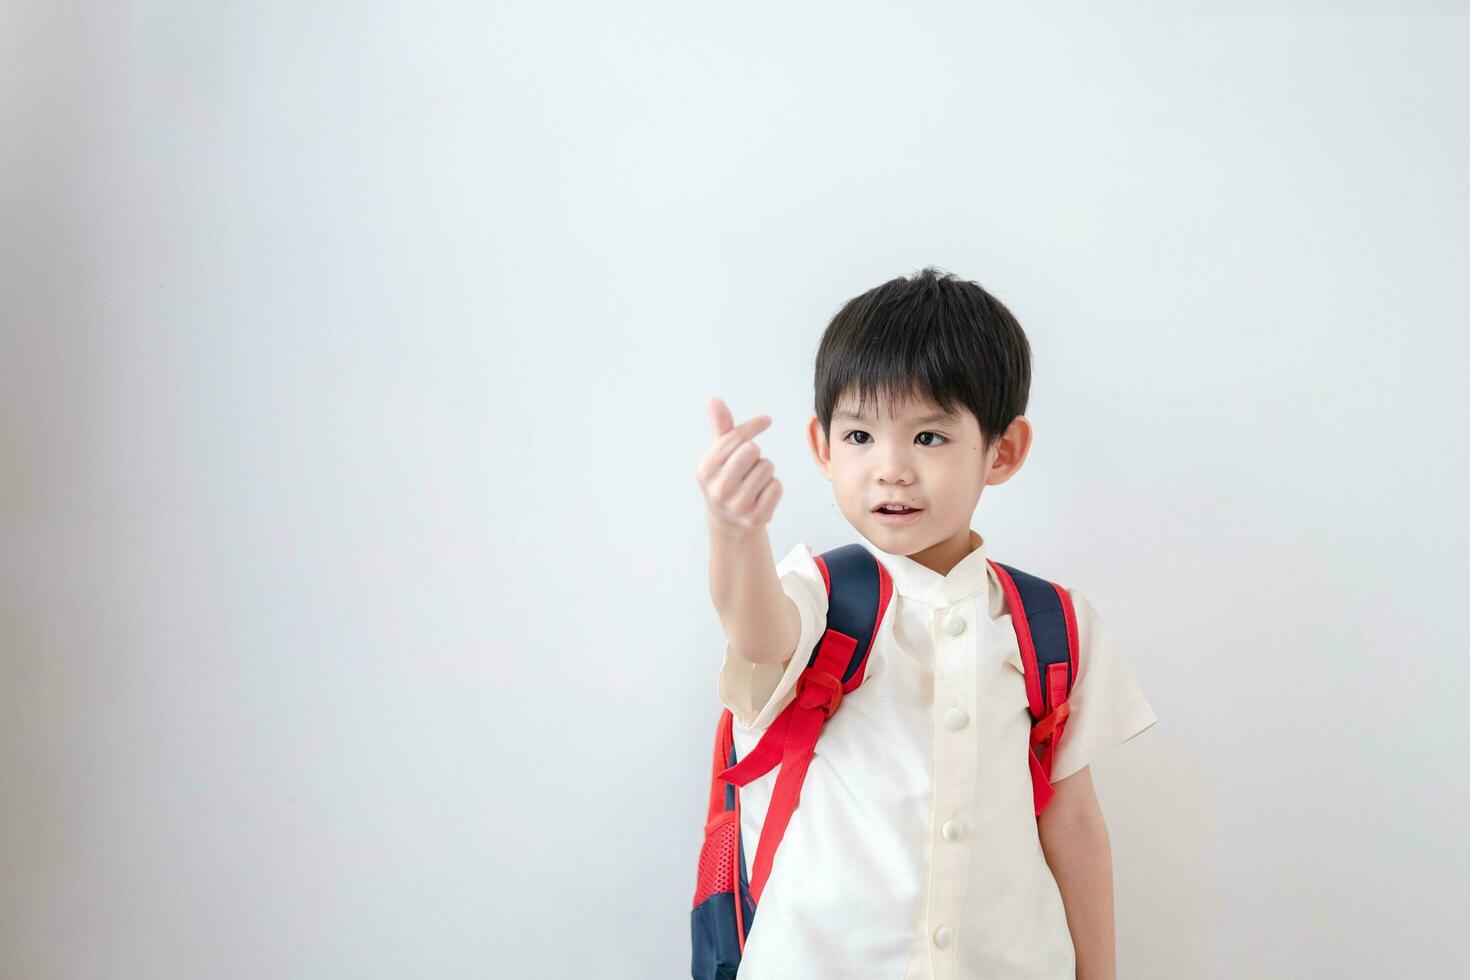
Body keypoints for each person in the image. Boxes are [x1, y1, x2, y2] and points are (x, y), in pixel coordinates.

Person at [693, 266, 1159, 980]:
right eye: (859, 436)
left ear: (1001, 452)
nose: (890, 468)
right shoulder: (816, 594)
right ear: (822, 447)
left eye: (930, 438)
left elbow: (1072, 822)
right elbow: (758, 638)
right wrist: (733, 531)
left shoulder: (1051, 625)